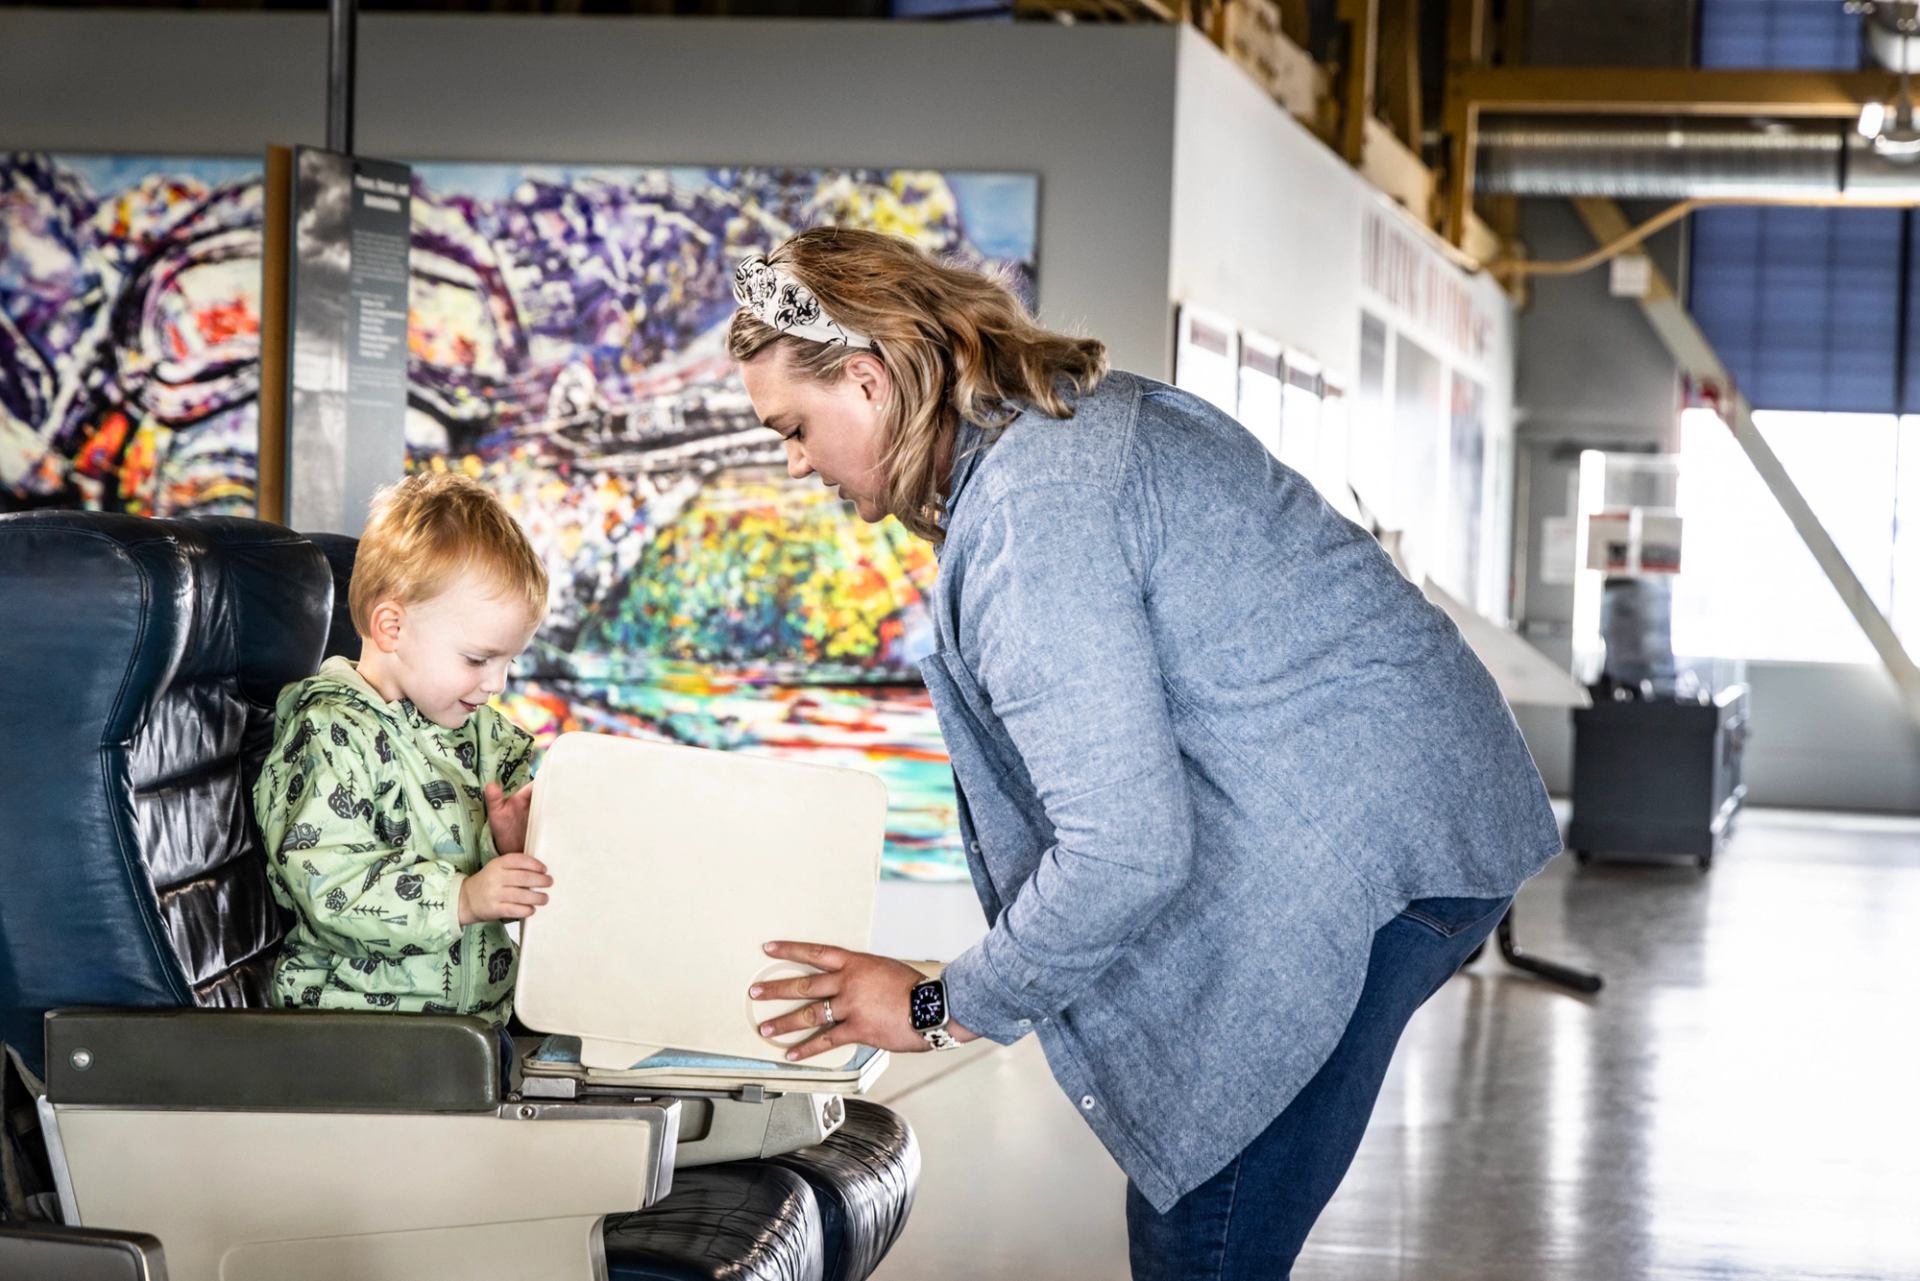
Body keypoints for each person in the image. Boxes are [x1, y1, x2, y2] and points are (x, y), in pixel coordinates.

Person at [727, 228, 1562, 1279]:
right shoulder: (1063, 429)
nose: (794, 461)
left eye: (794, 428)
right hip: (1417, 805)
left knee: (1202, 1234)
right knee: (1200, 1215)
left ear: (869, 378)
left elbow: (1124, 851)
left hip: (1385, 854)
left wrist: (941, 1007)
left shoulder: (1035, 518)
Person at [254, 471, 554, 1023]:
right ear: (391, 627)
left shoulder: (472, 736)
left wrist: (504, 846)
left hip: (464, 1030)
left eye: (510, 661)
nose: (496, 685)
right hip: (357, 1034)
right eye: (477, 659)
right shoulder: (329, 736)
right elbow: (330, 887)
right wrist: (461, 900)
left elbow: (461, 857)